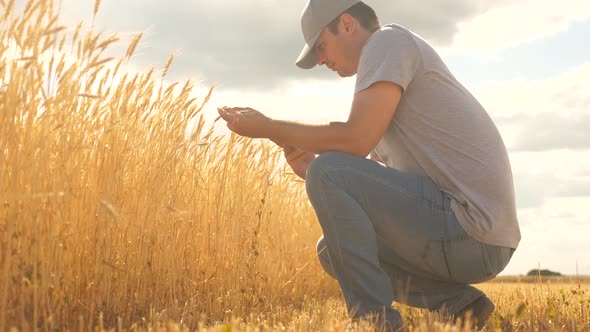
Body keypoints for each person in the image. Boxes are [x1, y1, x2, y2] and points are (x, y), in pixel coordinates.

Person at [217, 0, 520, 330]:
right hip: (473, 237)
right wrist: (312, 169)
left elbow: (354, 140)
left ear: (346, 24)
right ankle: (464, 307)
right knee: (331, 250)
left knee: (330, 171)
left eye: (321, 46)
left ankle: (376, 324)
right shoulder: (385, 84)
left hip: (471, 228)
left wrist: (269, 128)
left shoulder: (388, 42)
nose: (320, 60)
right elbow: (376, 186)